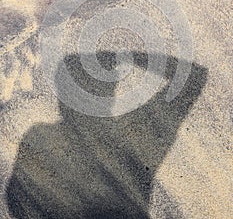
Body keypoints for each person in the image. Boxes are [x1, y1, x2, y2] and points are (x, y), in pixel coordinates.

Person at [7, 51, 207, 218]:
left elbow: (17, 203)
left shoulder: (43, 138)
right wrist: (130, 57)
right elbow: (191, 77)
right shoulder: (135, 132)